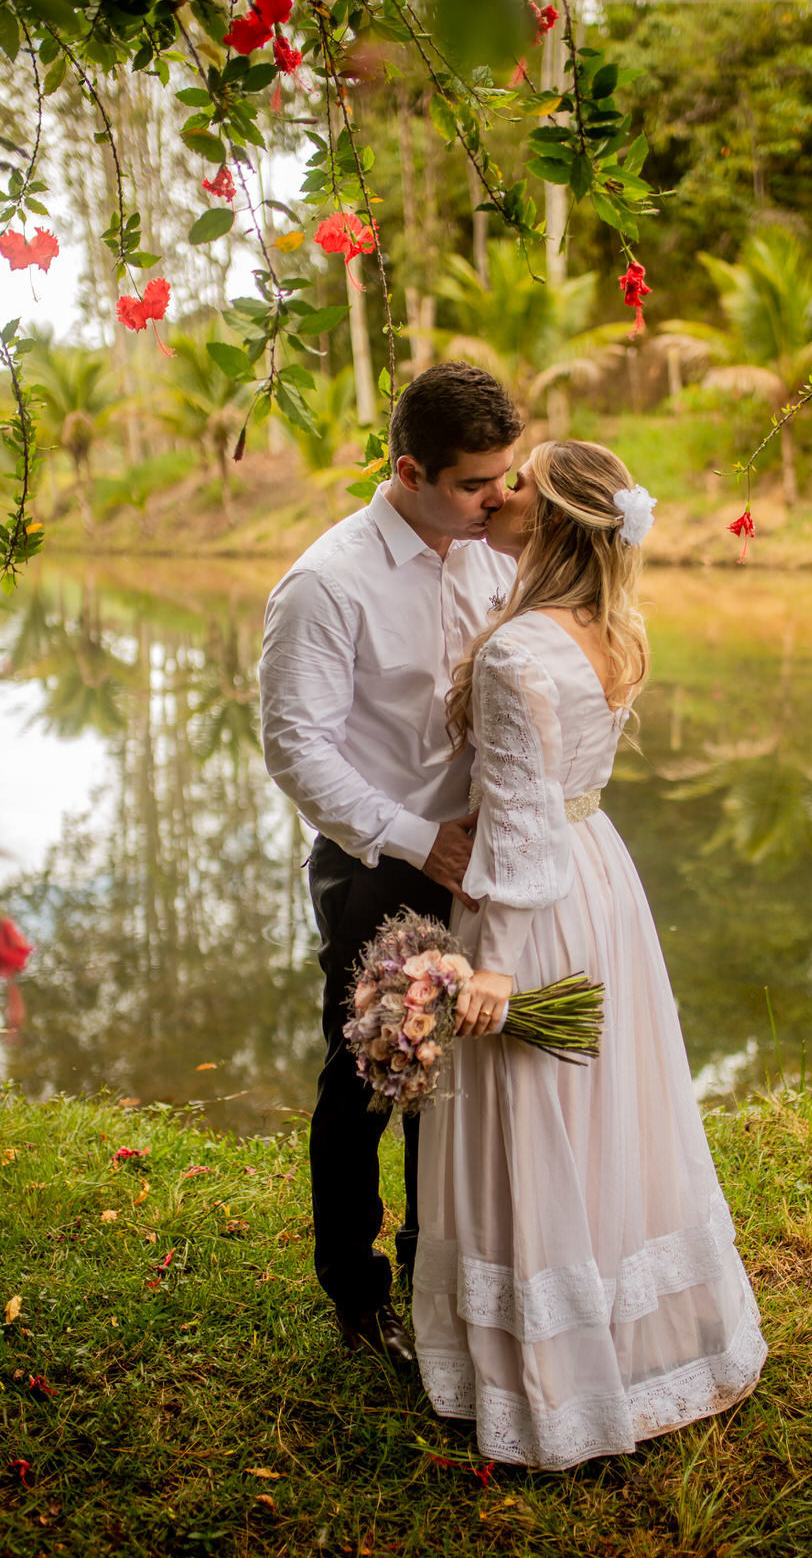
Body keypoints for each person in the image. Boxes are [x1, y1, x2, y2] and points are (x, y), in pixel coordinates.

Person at [412, 440, 767, 1469]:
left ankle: (552, 1376)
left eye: (520, 480)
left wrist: (494, 964)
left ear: (554, 519)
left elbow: (520, 823)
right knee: (606, 1111)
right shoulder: (606, 627)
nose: (501, 491)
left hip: (537, 901)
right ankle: (629, 1333)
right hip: (598, 875)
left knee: (534, 1116)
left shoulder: (519, 652)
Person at [258, 363, 522, 1366]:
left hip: (485, 862)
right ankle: (357, 1293)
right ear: (409, 471)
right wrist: (421, 840)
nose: (495, 500)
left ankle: (435, 1276)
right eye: (473, 484)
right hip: (380, 864)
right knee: (372, 1079)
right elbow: (297, 749)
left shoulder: (493, 556)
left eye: (503, 478)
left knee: (460, 1080)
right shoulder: (327, 583)